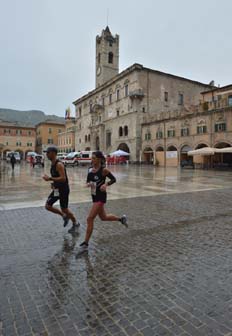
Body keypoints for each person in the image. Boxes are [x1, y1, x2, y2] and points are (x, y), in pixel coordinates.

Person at [77, 151, 128, 255]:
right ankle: (121, 219)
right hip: (94, 196)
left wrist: (106, 185)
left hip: (101, 197)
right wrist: (89, 184)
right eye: (92, 158)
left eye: (94, 158)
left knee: (90, 218)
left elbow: (113, 179)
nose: (92, 160)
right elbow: (88, 181)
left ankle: (85, 244)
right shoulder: (90, 169)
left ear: (100, 159)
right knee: (103, 217)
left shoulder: (104, 170)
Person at [42, 146, 80, 234]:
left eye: (48, 152)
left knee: (65, 209)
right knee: (48, 206)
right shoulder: (52, 163)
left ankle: (75, 223)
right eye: (46, 153)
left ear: (53, 153)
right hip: (57, 189)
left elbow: (63, 178)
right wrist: (54, 184)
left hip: (63, 190)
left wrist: (50, 179)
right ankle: (64, 216)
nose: (47, 154)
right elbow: (57, 177)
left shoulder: (59, 164)